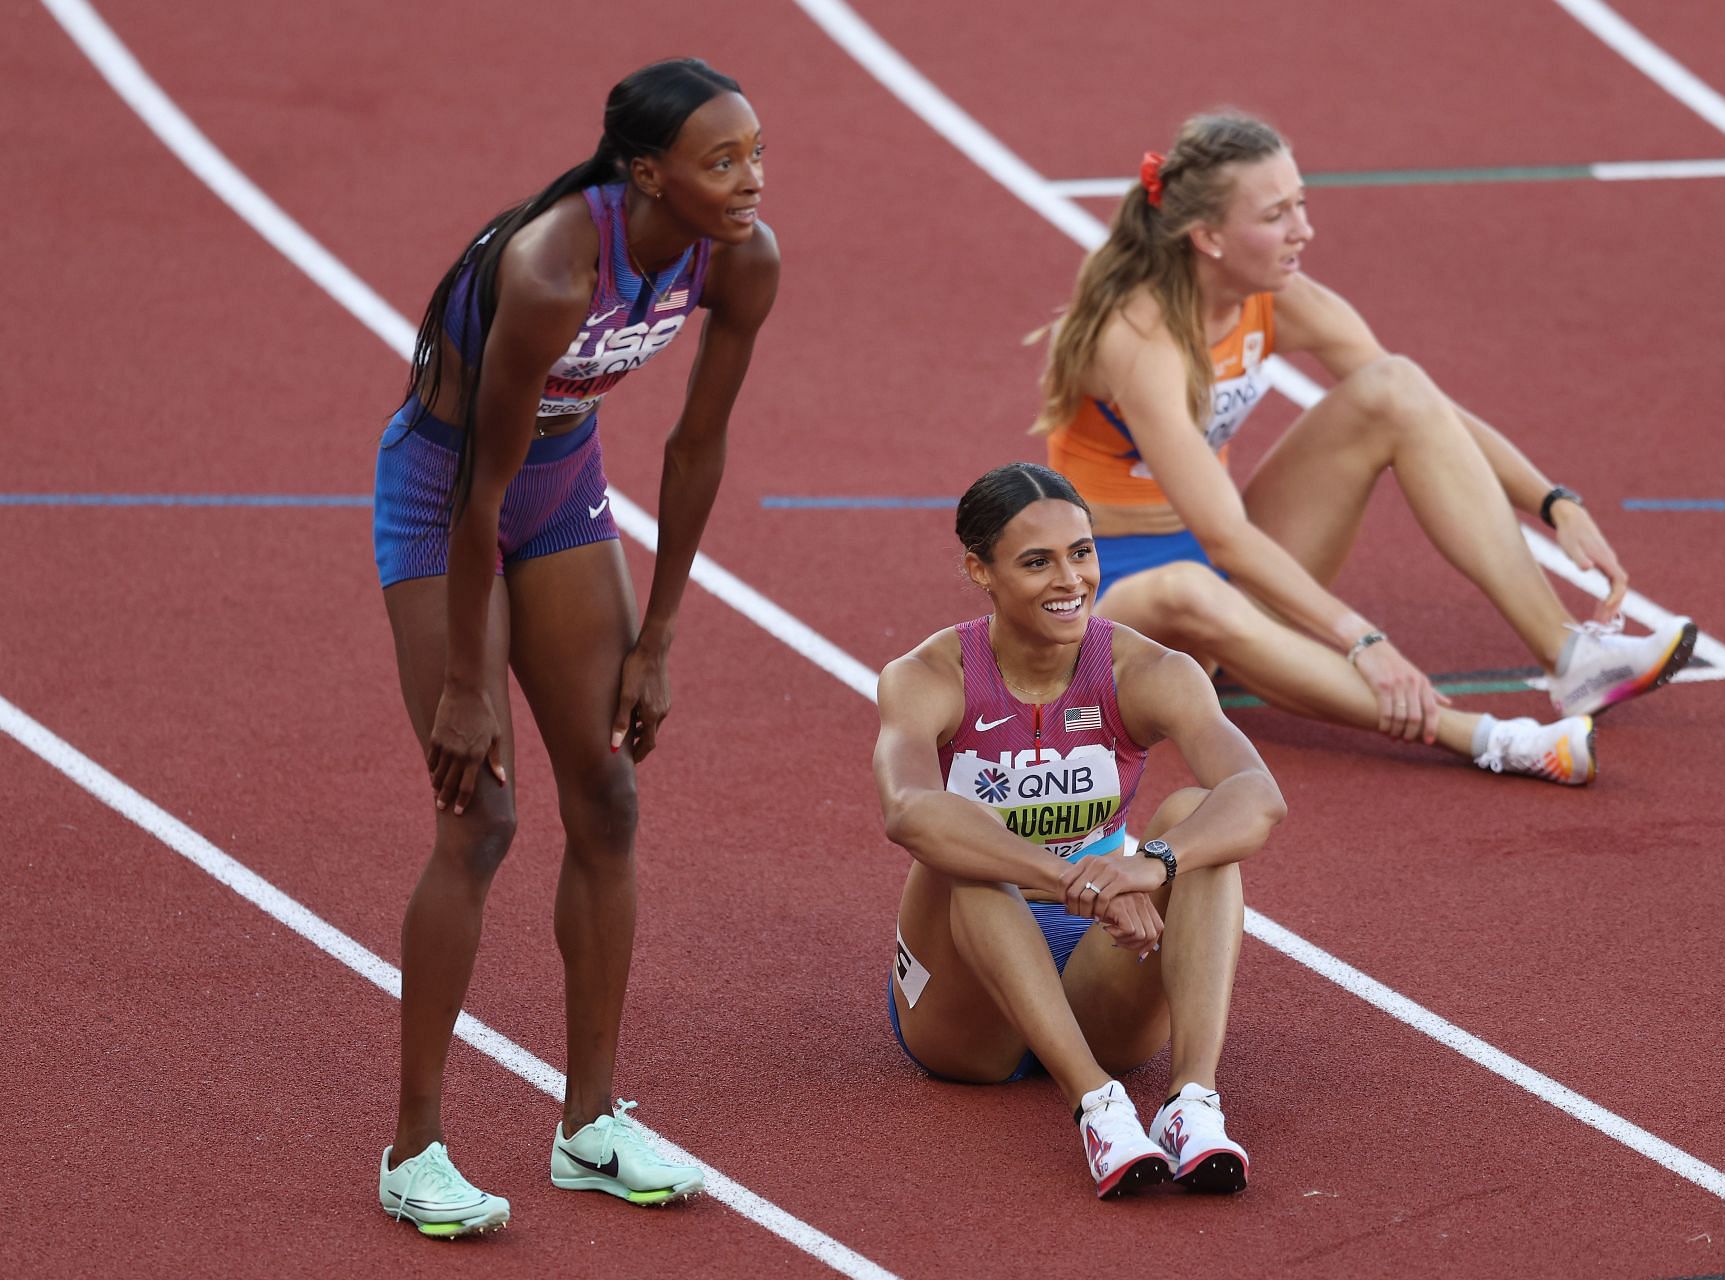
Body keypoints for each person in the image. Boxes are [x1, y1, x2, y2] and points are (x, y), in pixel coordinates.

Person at [369, 58, 778, 1236]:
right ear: (647, 175)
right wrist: (465, 682)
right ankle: (414, 1147)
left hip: (565, 485)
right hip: (450, 491)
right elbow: (476, 490)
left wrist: (657, 638)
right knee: (480, 816)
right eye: (722, 160)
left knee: (607, 796)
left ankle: (588, 1124)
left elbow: (696, 449)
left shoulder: (743, 258)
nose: (750, 179)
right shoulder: (552, 270)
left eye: (757, 153)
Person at [1033, 113, 1697, 785]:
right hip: (1117, 594)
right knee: (1191, 589)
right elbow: (1227, 537)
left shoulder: (1275, 299)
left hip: (1220, 564)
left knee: (1396, 387)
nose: (1304, 230)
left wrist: (1554, 503)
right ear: (1208, 237)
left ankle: (1570, 656)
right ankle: (1490, 739)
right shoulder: (1141, 340)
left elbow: (1427, 413)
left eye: (1301, 204)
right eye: (1275, 215)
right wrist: (1361, 638)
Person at [874, 462, 1288, 1199]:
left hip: (1097, 974)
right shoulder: (927, 674)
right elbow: (907, 808)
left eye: (1082, 552)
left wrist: (1155, 863)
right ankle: (1098, 1107)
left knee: (1200, 820)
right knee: (961, 845)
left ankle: (1192, 1103)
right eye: (1037, 562)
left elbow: (1258, 796)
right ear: (981, 570)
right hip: (964, 1005)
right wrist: (1084, 882)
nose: (1071, 580)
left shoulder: (1147, 669)